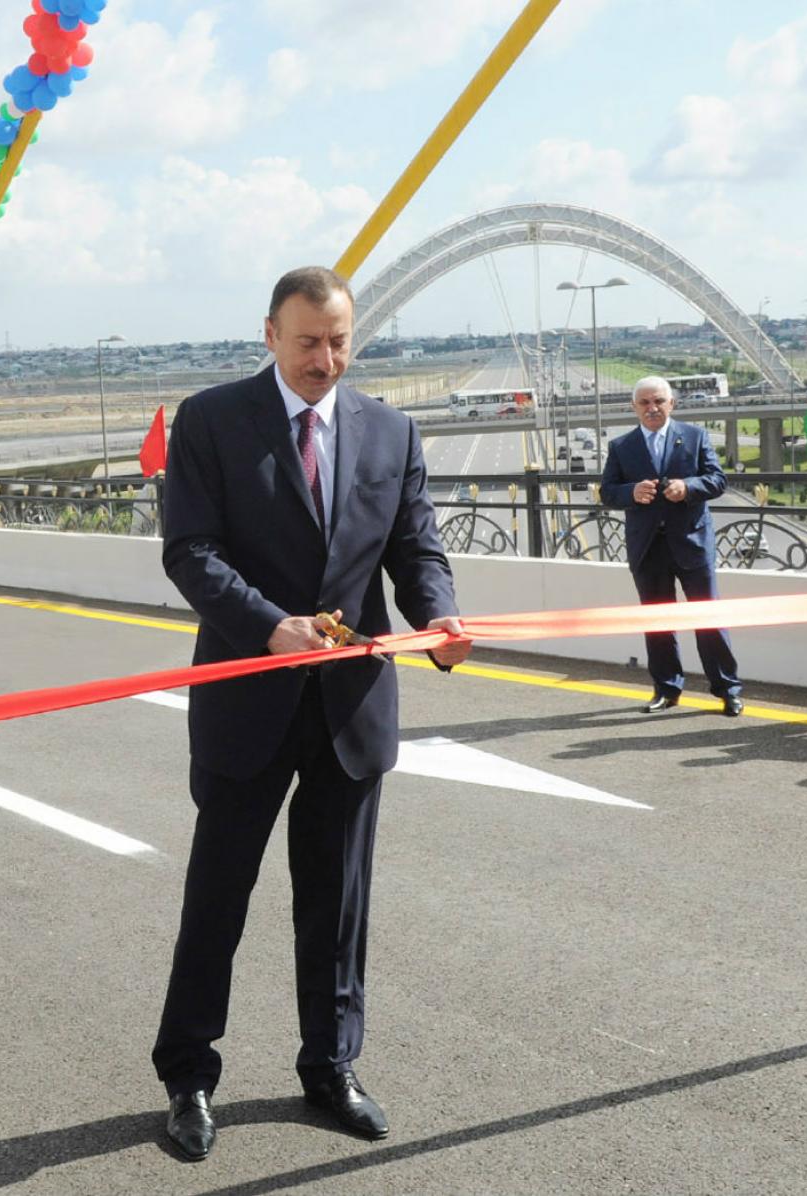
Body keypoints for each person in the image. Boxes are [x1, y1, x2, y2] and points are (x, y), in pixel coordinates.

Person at [151, 266, 470, 1162]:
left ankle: (331, 1067)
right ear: (270, 335)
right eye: (307, 343)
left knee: (335, 905)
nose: (326, 360)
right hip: (247, 697)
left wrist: (439, 615)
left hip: (349, 709)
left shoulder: (391, 430)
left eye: (339, 342)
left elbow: (416, 548)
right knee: (218, 898)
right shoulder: (212, 421)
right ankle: (188, 1077)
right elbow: (190, 551)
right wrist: (268, 626)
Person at [598, 376, 744, 716]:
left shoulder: (695, 436)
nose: (652, 408)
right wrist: (630, 493)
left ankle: (728, 690)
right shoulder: (621, 446)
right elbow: (608, 492)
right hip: (648, 547)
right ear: (634, 407)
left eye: (659, 401)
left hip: (691, 543)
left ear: (671, 404)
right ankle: (666, 688)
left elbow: (718, 480)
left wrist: (688, 487)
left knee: (708, 619)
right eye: (645, 403)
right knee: (658, 622)